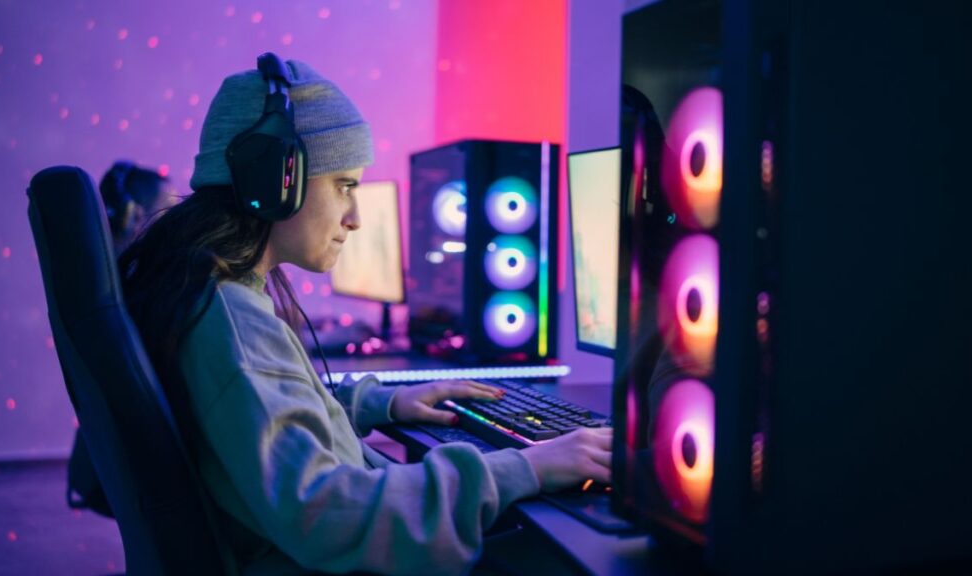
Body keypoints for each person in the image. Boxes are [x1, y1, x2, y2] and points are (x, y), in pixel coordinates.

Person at [116, 56, 612, 575]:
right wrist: (528, 466)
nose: (354, 219)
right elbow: (327, 514)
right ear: (277, 177)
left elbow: (267, 410)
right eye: (345, 186)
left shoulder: (209, 293)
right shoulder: (234, 321)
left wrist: (385, 401)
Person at [66, 161, 177, 518]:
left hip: (105, 465)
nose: (176, 224)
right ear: (132, 216)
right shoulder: (142, 296)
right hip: (144, 465)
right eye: (168, 212)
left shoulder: (106, 286)